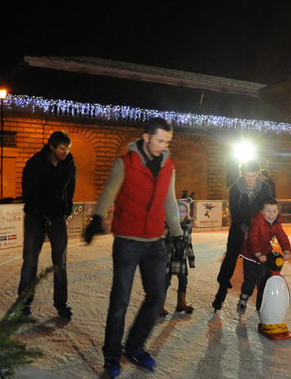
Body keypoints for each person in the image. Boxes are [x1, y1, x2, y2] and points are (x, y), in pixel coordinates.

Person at [84, 117, 182, 377]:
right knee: (120, 300)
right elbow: (109, 191)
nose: (163, 145)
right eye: (159, 140)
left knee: (157, 296)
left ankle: (135, 347)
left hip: (154, 242)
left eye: (167, 141)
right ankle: (112, 355)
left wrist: (178, 234)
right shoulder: (125, 163)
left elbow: (170, 203)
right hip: (127, 241)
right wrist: (96, 218)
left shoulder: (169, 166)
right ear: (146, 137)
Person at [17, 131, 76, 319]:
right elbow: (29, 193)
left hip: (58, 218)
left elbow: (70, 190)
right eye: (61, 149)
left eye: (67, 149)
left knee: (60, 263)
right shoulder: (35, 163)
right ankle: (24, 303)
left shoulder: (69, 165)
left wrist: (66, 210)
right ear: (51, 146)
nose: (65, 152)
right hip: (36, 218)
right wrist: (36, 213)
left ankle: (61, 303)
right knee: (30, 262)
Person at [212, 160, 272, 311]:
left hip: (258, 229)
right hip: (239, 229)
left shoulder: (265, 188)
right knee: (230, 259)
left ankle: (264, 296)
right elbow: (235, 212)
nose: (250, 180)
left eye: (253, 176)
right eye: (247, 176)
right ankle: (222, 290)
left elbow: (269, 209)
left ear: (257, 174)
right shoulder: (235, 189)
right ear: (242, 174)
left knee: (261, 261)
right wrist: (244, 228)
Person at [238, 197, 291, 315]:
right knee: (250, 281)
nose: (271, 214)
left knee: (263, 281)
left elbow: (282, 237)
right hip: (250, 255)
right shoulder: (256, 222)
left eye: (274, 211)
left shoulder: (276, 223)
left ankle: (263, 305)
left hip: (265, 254)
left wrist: (287, 251)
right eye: (268, 211)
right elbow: (253, 239)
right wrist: (258, 254)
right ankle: (243, 298)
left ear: (278, 212)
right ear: (261, 212)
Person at [160, 199, 196, 317]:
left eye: (184, 211)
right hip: (170, 257)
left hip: (181, 257)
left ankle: (180, 304)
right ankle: (160, 306)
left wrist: (191, 259)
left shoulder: (188, 225)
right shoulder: (169, 224)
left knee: (183, 281)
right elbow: (163, 241)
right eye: (179, 210)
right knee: (165, 282)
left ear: (187, 212)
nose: (181, 213)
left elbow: (189, 243)